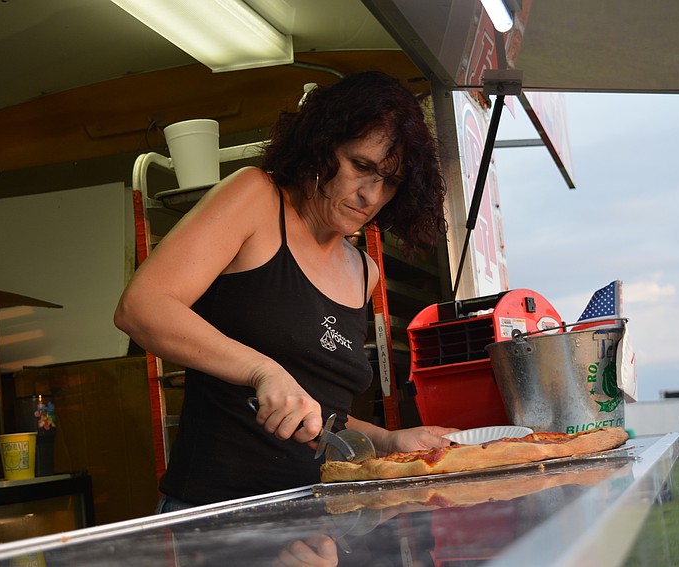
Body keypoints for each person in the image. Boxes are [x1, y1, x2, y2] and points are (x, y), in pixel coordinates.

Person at [114, 70, 457, 510]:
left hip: (315, 518)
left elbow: (315, 413)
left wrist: (387, 440)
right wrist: (264, 370)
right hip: (220, 515)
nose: (370, 196)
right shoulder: (256, 197)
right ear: (321, 145)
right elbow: (141, 307)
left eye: (389, 182)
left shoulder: (363, 272)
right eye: (361, 166)